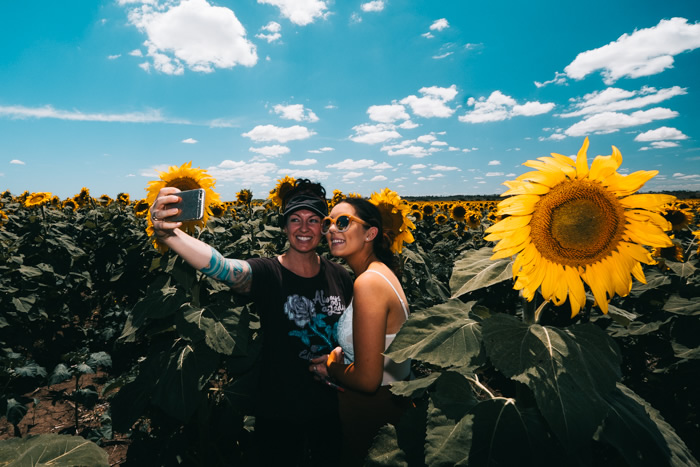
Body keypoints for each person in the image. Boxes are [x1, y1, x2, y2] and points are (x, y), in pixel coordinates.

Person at [149, 179, 353, 467]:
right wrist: (169, 235)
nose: (304, 228)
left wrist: (340, 361)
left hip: (332, 409)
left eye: (313, 220)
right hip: (279, 411)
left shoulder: (340, 276)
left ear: (323, 226)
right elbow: (224, 267)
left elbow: (351, 336)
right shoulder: (269, 273)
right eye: (295, 219)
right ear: (284, 227)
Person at [309, 197, 411, 466]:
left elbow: (368, 380)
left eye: (343, 222)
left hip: (372, 417)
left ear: (370, 233)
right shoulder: (380, 273)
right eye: (329, 223)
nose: (332, 229)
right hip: (388, 408)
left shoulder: (367, 283)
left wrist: (331, 366)